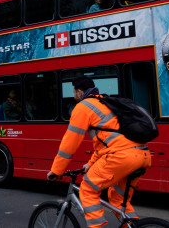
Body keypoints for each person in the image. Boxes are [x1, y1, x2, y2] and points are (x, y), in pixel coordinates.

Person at [47, 77, 151, 228]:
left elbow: (69, 143)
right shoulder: (105, 102)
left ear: (80, 92)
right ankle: (135, 227)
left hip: (121, 156)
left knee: (87, 189)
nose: (74, 95)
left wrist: (56, 171)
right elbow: (106, 144)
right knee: (117, 199)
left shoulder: (83, 107)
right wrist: (89, 164)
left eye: (74, 92)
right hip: (142, 155)